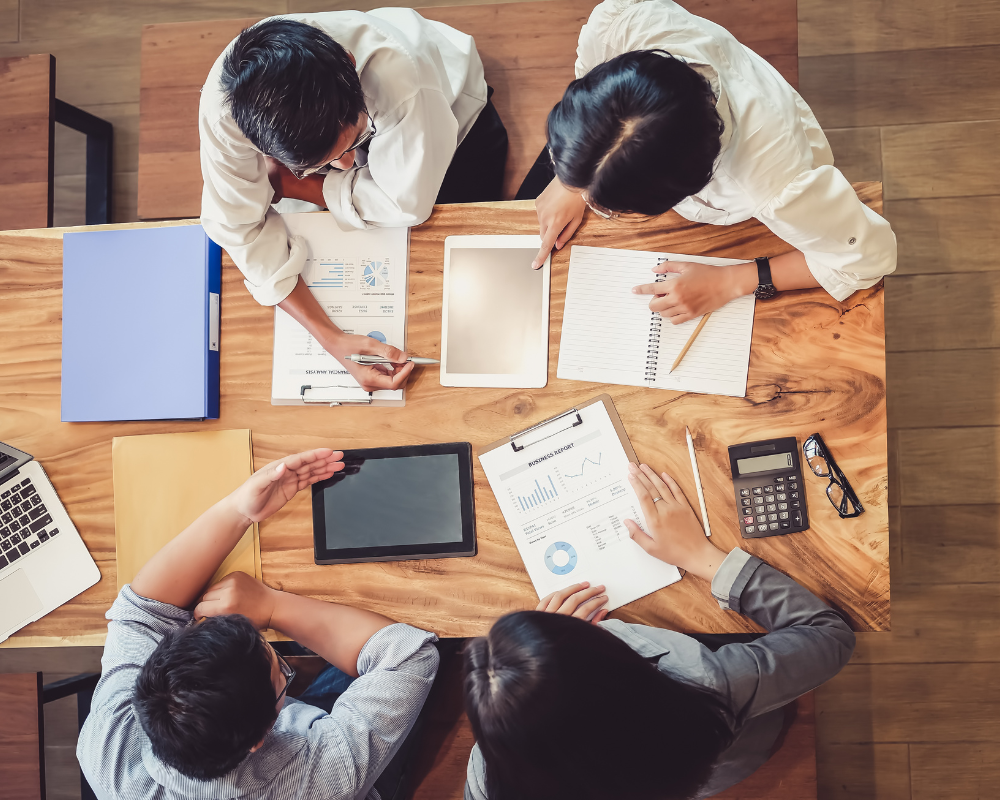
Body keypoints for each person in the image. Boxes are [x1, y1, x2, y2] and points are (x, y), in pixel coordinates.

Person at [463, 461, 856, 799]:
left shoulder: (489, 775)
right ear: (613, 662)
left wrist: (538, 672)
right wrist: (703, 557)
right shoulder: (708, 681)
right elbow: (829, 636)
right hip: (727, 755)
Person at [76, 448, 441, 800]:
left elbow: (143, 613)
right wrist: (271, 607)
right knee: (433, 632)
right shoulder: (325, 776)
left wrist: (238, 510)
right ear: (260, 737)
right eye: (280, 672)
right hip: (329, 766)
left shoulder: (107, 749)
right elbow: (409, 654)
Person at [519, 0, 896, 325]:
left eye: (616, 208)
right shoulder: (623, 24)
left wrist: (730, 282)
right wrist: (578, 173)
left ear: (690, 182)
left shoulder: (773, 184)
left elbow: (867, 259)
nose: (589, 200)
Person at [199, 12, 508, 390]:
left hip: (453, 115)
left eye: (355, 141)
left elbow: (406, 203)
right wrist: (333, 340)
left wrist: (302, 186)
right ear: (256, 143)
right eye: (321, 164)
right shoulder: (225, 115)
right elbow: (238, 229)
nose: (347, 166)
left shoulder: (401, 78)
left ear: (349, 60)